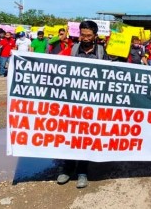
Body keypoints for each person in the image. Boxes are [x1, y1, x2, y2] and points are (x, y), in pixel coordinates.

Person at [57, 20, 107, 189]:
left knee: (85, 137)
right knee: (70, 135)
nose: (85, 38)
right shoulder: (70, 51)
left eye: (88, 35)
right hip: (71, 102)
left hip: (92, 104)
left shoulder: (102, 52)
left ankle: (82, 172)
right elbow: (52, 65)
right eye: (82, 34)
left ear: (95, 36)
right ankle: (67, 168)